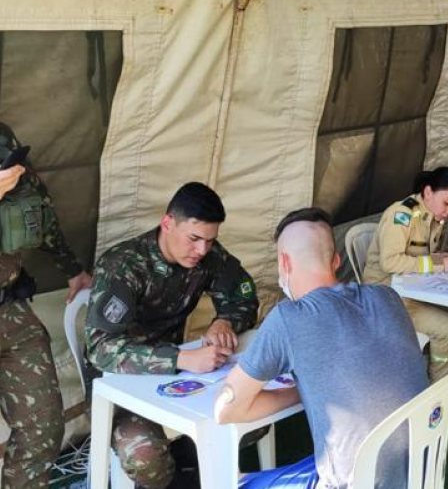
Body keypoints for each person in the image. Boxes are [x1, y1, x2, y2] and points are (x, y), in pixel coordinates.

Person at [215, 208, 428, 489]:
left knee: (234, 481)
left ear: (284, 263)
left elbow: (226, 411)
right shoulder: (388, 297)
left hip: (355, 482)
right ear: (337, 260)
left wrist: (297, 392)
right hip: (419, 471)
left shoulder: (289, 318)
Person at [86, 182, 259, 489]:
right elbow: (102, 349)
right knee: (145, 457)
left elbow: (243, 297)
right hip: (122, 384)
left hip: (176, 377)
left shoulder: (207, 255)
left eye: (210, 240)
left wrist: (225, 321)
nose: (202, 250)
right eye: (194, 238)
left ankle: (189, 469)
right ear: (168, 223)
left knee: (248, 418)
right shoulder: (123, 266)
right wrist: (180, 358)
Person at [0, 121, 93, 489]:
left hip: (12, 312)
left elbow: (36, 206)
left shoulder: (2, 138)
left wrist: (72, 269)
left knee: (43, 427)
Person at [362, 167, 448, 382]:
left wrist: (442, 259)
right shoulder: (401, 215)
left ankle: (436, 361)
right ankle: (437, 391)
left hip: (416, 290)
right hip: (388, 296)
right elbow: (390, 262)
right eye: (447, 203)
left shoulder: (433, 219)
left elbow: (420, 258)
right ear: (428, 192)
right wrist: (439, 266)